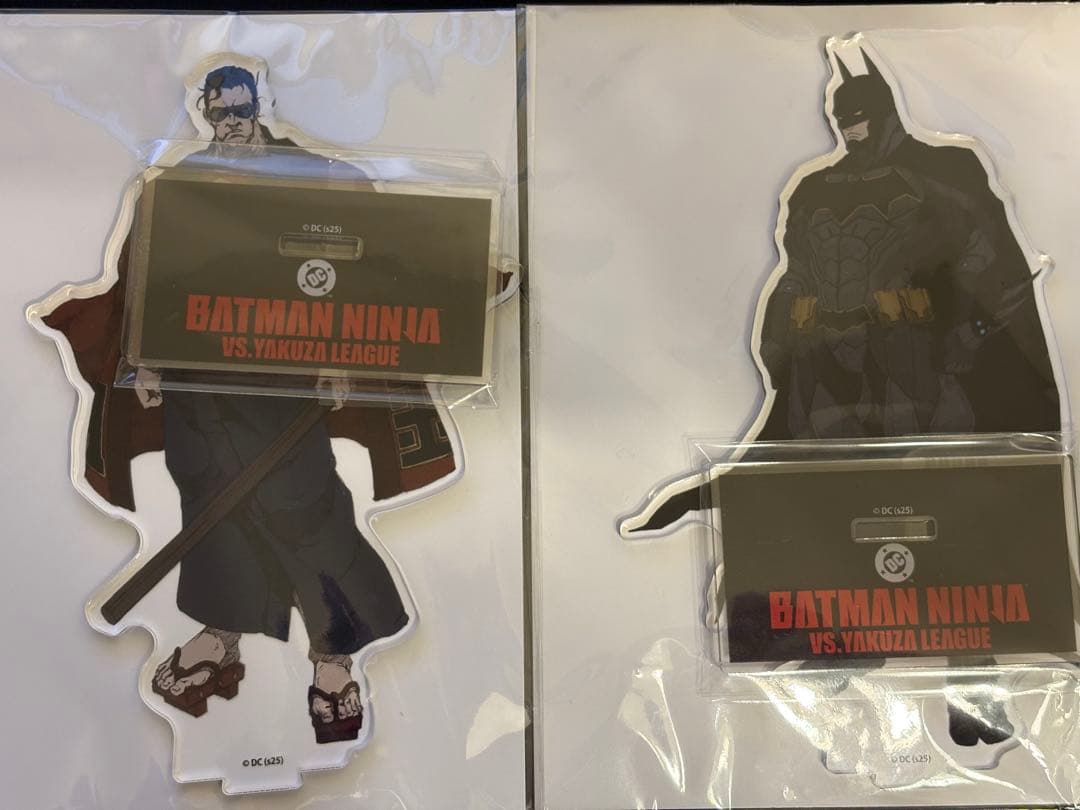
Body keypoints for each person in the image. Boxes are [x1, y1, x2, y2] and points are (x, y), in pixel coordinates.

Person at [41, 64, 457, 744]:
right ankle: (222, 629)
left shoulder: (315, 177)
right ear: (205, 112)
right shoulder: (176, 185)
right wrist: (143, 357)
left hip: (284, 369)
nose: (230, 120)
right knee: (206, 489)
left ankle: (333, 654)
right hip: (196, 372)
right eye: (219, 109)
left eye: (240, 107)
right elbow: (148, 271)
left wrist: (341, 355)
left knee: (302, 501)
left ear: (258, 105)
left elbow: (360, 255)